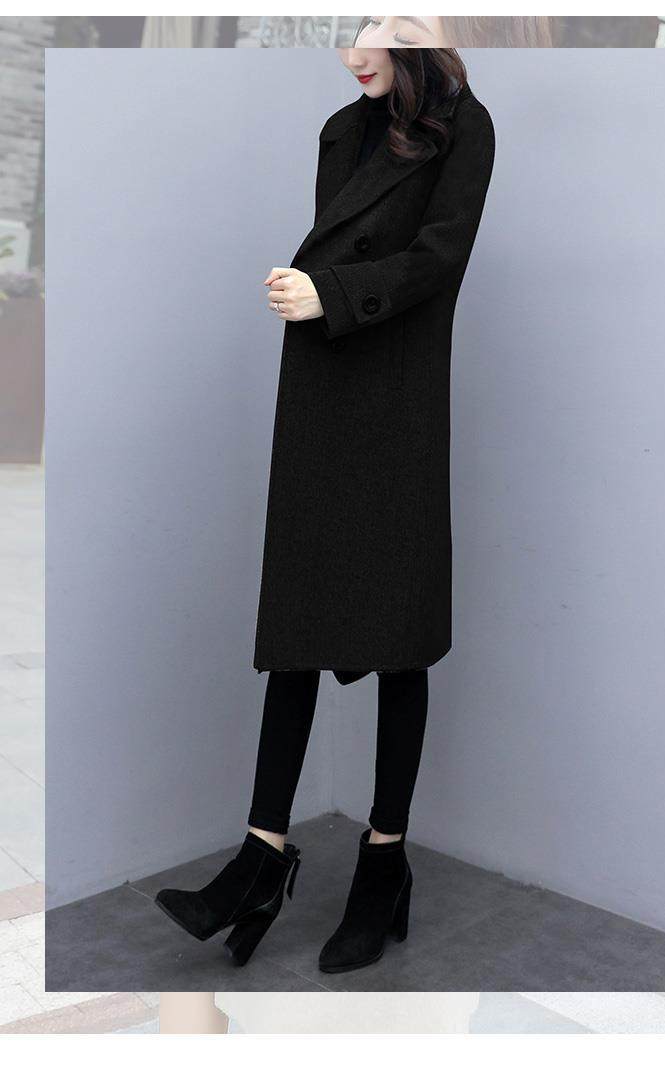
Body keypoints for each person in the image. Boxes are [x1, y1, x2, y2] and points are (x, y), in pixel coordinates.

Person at [154, 43, 495, 975]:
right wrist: (313, 294)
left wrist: (328, 293)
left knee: (399, 638)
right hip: (323, 389)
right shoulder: (344, 129)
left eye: (373, 27)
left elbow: (439, 259)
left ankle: (383, 865)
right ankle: (260, 858)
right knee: (297, 629)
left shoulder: (465, 127)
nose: (353, 51)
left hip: (395, 402)